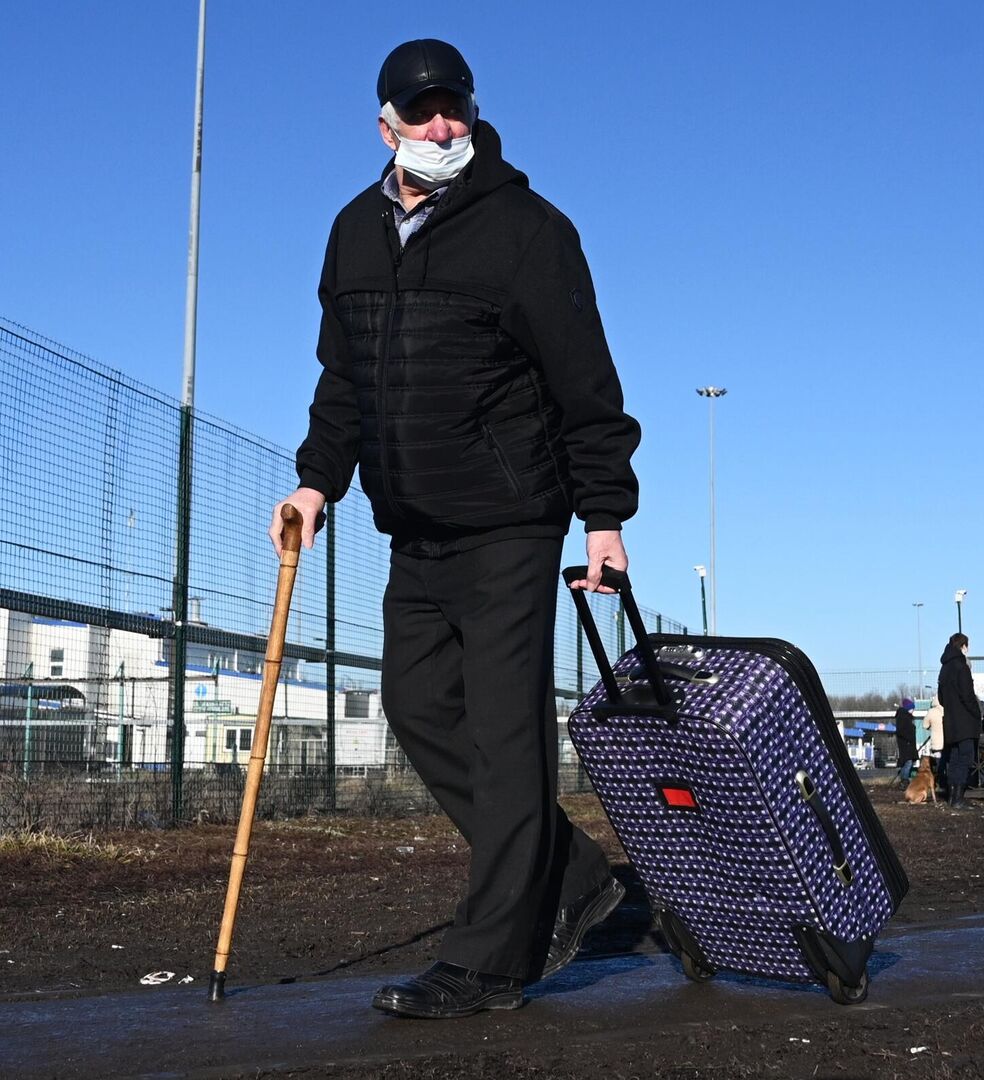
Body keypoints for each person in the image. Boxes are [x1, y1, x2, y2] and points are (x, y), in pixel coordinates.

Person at [278, 39, 638, 1020]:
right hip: (415, 527)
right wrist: (317, 484)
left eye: (455, 110)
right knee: (415, 706)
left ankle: (491, 960)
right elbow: (344, 380)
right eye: (422, 111)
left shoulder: (527, 231)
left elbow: (586, 384)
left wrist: (603, 514)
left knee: (506, 735)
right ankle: (570, 876)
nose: (441, 128)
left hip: (512, 522)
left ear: (472, 114)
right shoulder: (353, 230)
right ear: (385, 123)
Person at [936, 633, 982, 809]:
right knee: (965, 757)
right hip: (965, 721)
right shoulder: (961, 667)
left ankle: (952, 795)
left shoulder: (945, 667)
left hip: (950, 720)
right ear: (964, 646)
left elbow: (940, 698)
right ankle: (959, 797)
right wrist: (976, 713)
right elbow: (967, 695)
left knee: (954, 758)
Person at [892, 698, 917, 786]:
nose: (913, 710)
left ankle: (904, 780)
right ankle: (904, 780)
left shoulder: (904, 717)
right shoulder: (904, 717)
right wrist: (909, 738)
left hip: (907, 744)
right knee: (908, 762)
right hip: (906, 744)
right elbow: (902, 731)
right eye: (912, 708)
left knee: (906, 762)